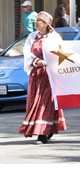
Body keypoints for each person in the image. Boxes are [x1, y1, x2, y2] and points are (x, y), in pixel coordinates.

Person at [18, 11, 66, 144]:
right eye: (36, 21)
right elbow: (26, 52)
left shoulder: (54, 37)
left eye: (38, 21)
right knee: (36, 102)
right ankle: (45, 130)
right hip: (37, 75)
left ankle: (43, 134)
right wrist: (36, 61)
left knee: (46, 102)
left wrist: (51, 62)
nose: (35, 23)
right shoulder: (32, 37)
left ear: (46, 24)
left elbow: (61, 52)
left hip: (50, 74)